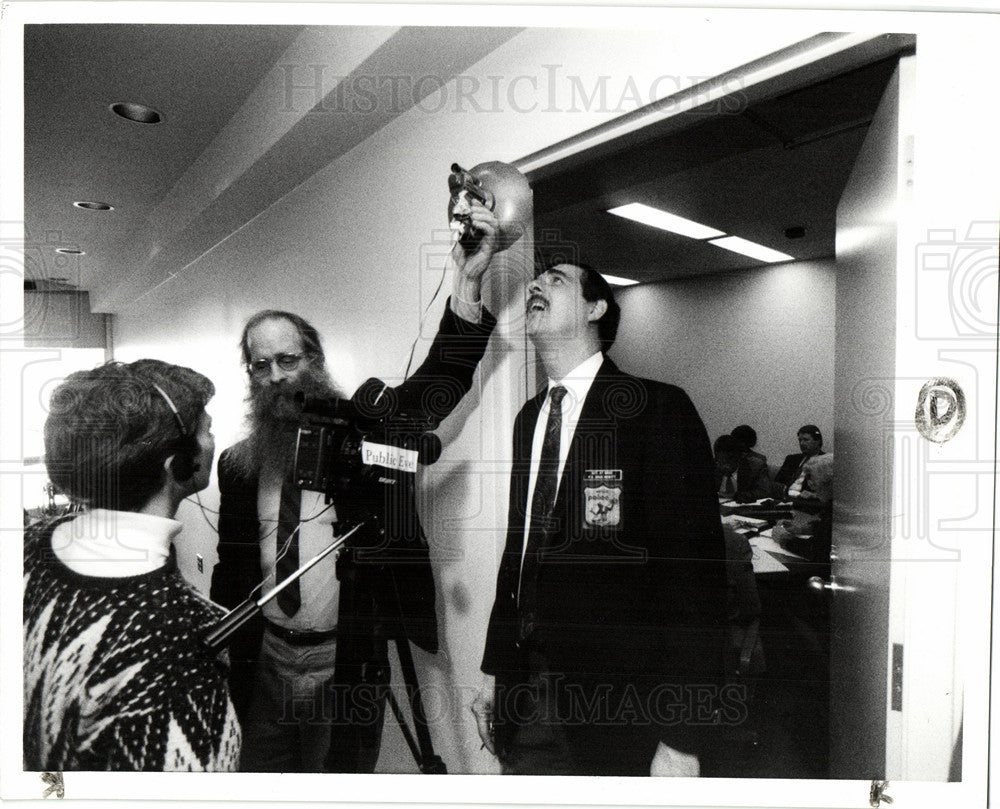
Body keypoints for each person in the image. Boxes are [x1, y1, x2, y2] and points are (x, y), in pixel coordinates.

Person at [210, 202, 500, 772]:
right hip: (263, 660)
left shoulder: (362, 434)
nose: (275, 377)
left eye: (287, 359)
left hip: (344, 661)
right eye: (260, 365)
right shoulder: (238, 463)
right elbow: (231, 564)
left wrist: (468, 281)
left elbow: (437, 385)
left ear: (313, 358)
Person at [473, 261, 729, 776]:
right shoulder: (530, 418)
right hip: (527, 689)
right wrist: (493, 671)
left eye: (557, 279)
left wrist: (682, 735)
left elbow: (694, 579)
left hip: (618, 702)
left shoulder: (656, 410)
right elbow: (521, 553)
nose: (535, 285)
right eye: (535, 281)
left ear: (596, 308)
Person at [23, 359, 240, 771]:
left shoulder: (30, 544)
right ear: (177, 463)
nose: (213, 439)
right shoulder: (181, 643)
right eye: (206, 430)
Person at [772, 452, 835, 563]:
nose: (810, 485)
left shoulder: (838, 509)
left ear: (829, 482)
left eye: (813, 480)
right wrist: (802, 530)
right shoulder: (833, 503)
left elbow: (818, 551)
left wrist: (784, 539)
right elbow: (826, 529)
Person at [713, 434, 771, 503]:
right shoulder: (711, 467)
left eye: (729, 461)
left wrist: (744, 496)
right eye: (721, 462)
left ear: (740, 457)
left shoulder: (755, 467)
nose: (725, 466)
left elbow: (764, 491)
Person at [773, 424, 825, 499]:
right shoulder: (791, 459)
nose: (802, 443)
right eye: (800, 440)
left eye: (806, 440)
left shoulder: (825, 461)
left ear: (817, 441)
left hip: (804, 502)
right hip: (784, 499)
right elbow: (777, 482)